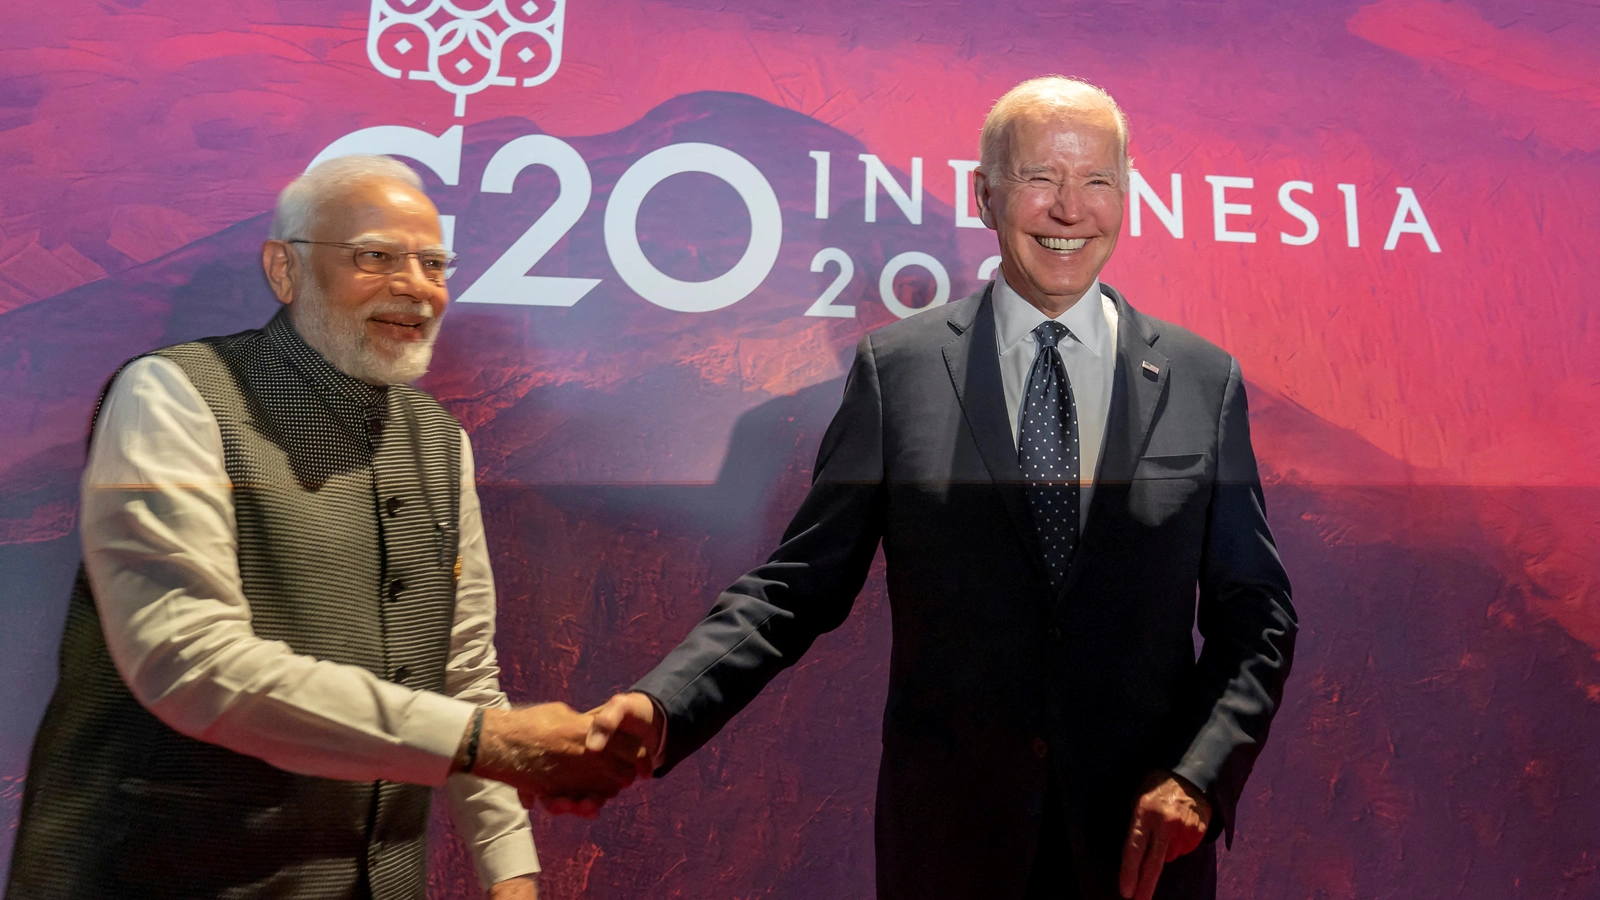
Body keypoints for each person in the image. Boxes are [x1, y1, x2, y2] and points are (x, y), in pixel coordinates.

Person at [581, 76, 1298, 900]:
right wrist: (666, 705)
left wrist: (1199, 776)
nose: (1071, 209)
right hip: (952, 854)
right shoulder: (899, 371)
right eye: (1040, 179)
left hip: (1140, 859)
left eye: (1096, 180)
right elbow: (796, 589)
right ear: (985, 196)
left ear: (1126, 196)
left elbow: (1257, 613)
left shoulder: (1205, 380)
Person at [6, 156, 642, 900]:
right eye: (376, 256)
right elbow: (187, 658)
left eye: (434, 263)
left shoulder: (442, 442)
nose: (416, 286)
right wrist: (486, 743)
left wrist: (510, 876)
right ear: (284, 270)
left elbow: (463, 671)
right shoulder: (169, 396)